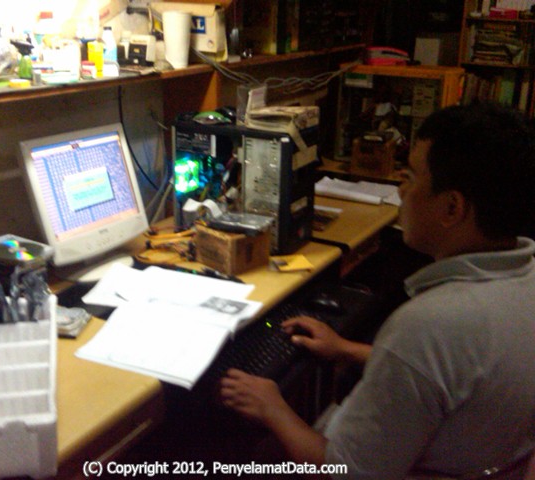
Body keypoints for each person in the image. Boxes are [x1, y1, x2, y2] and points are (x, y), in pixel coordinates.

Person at [219, 103, 535, 479]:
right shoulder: (524, 282)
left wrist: (273, 408)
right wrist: (347, 349)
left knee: (248, 452)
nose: (401, 191)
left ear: (452, 208)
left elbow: (349, 473)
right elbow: (456, 374)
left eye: (411, 178)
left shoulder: (431, 324)